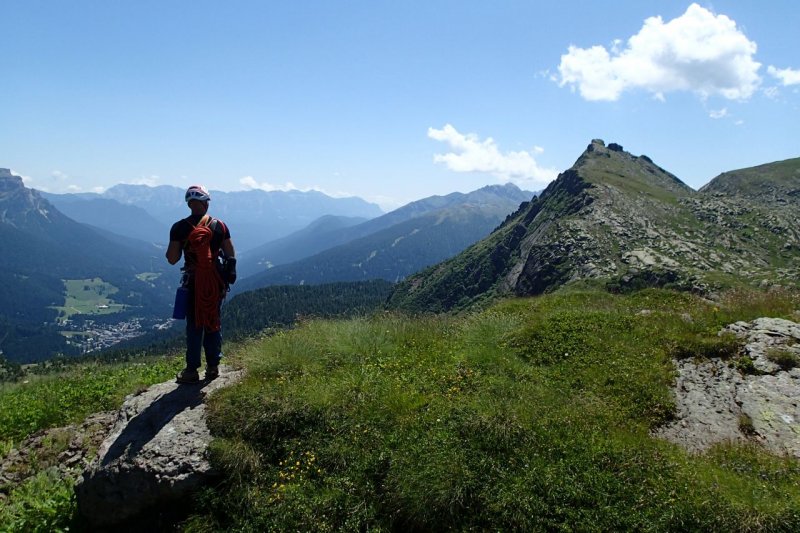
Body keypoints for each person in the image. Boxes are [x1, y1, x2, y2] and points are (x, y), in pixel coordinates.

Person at [166, 185, 236, 384]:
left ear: (189, 204)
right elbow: (230, 252)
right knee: (212, 320)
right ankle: (213, 366)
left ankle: (191, 370)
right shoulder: (220, 226)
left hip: (193, 282)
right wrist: (230, 271)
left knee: (195, 324)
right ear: (206, 203)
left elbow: (172, 259)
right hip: (214, 282)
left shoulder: (179, 228)